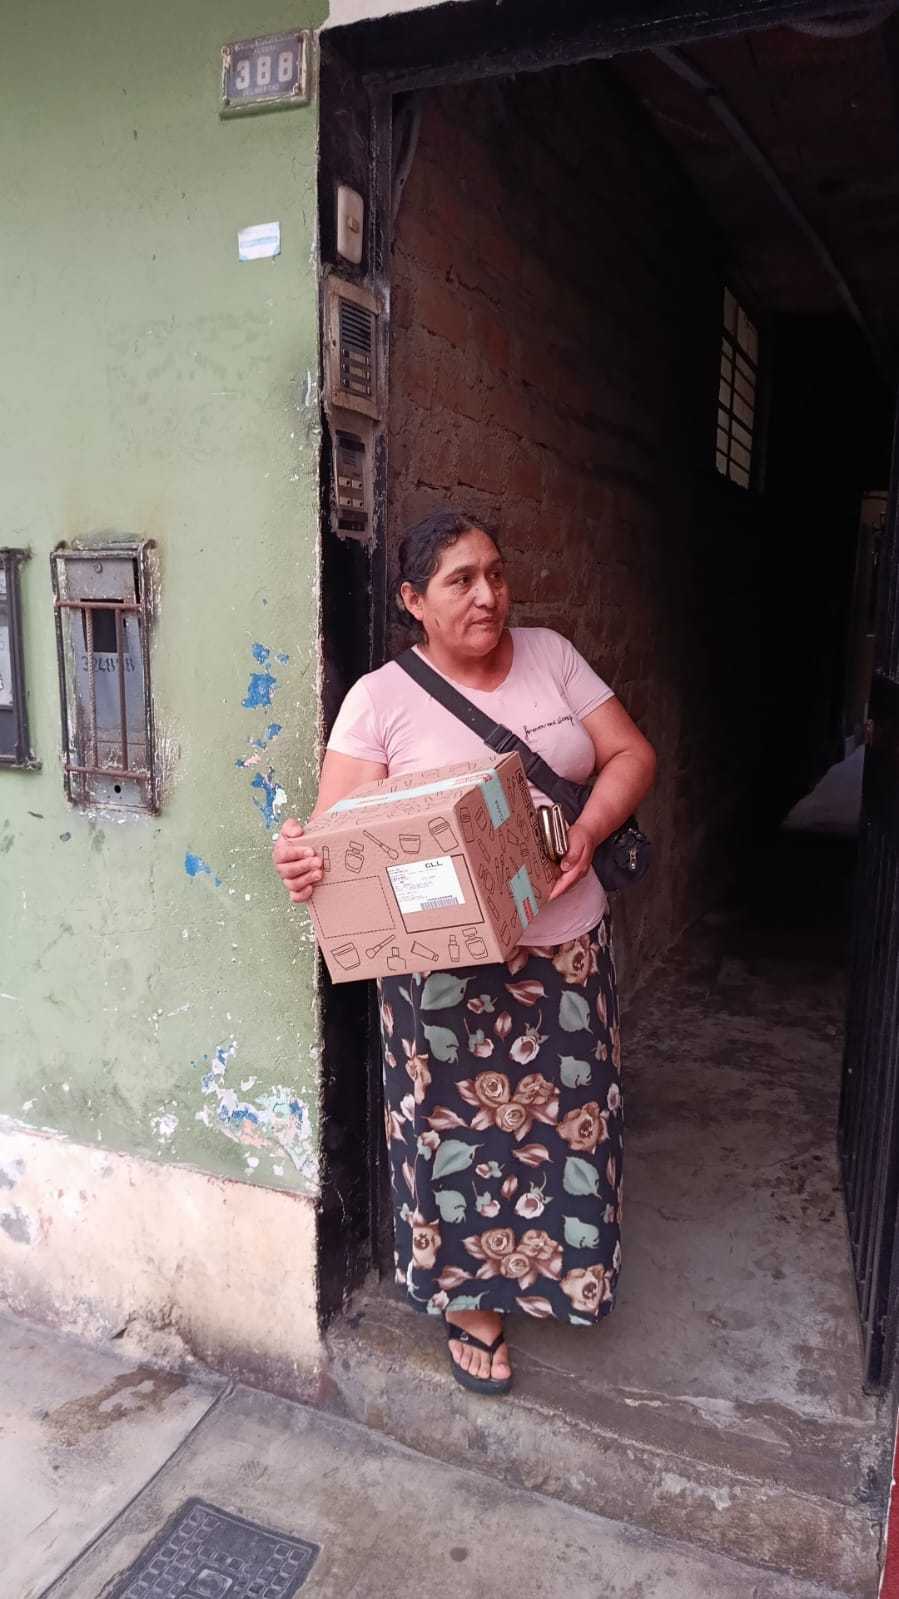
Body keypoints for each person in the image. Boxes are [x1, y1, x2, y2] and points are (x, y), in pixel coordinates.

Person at [272, 508, 656, 1396]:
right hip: (441, 977)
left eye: (495, 573)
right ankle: (472, 1303)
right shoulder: (380, 700)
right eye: (460, 581)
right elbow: (335, 840)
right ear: (414, 600)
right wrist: (300, 857)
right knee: (457, 1137)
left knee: (570, 1124)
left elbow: (630, 753)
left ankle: (564, 1278)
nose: (488, 595)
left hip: (564, 950)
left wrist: (589, 829)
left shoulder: (552, 656)